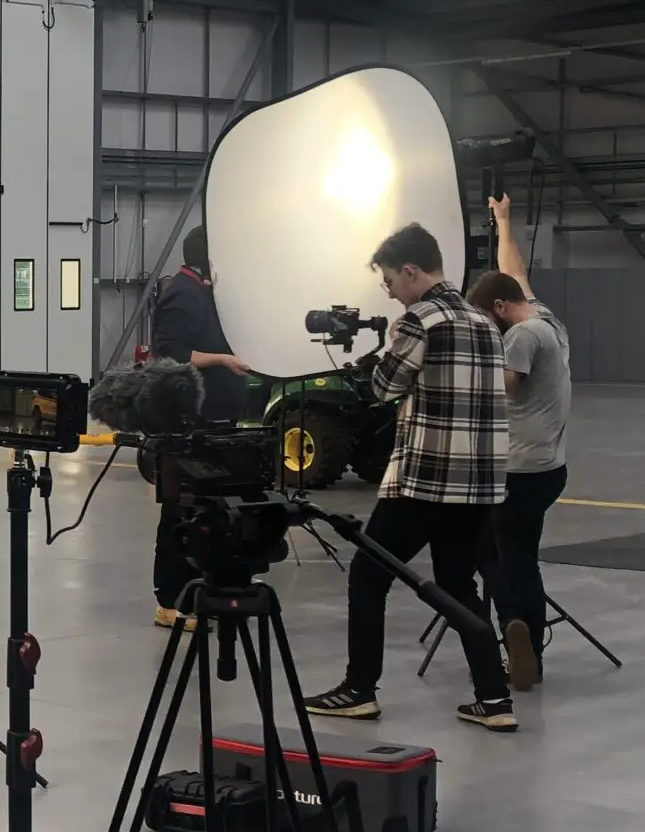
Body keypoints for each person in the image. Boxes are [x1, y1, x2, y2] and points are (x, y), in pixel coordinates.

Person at [303, 222, 517, 731]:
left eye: (389, 282)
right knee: (458, 585)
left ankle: (359, 689)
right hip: (479, 482)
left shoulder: (422, 319)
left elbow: (384, 387)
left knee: (369, 574)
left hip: (426, 479)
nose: (391, 293)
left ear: (411, 270)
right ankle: (493, 699)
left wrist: (377, 352)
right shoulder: (483, 320)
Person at [465, 194, 569, 693]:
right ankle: (526, 641)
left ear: (501, 309)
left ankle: (515, 630)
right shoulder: (547, 319)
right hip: (550, 467)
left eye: (487, 318)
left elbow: (501, 385)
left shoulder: (522, 338)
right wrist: (504, 222)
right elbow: (515, 271)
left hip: (519, 470)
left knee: (500, 557)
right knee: (519, 554)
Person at [148, 224, 250, 626]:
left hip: (217, 418)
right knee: (180, 511)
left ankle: (200, 591)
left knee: (209, 512)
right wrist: (223, 360)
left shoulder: (206, 292)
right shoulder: (183, 295)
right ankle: (170, 601)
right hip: (190, 422)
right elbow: (171, 353)